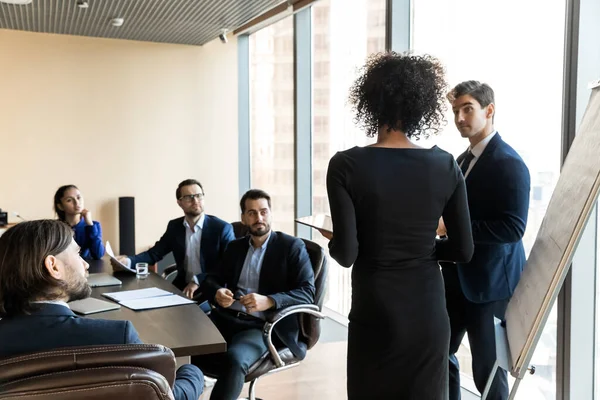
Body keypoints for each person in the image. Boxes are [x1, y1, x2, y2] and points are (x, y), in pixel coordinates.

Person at [322, 52, 474, 399]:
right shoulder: (445, 165)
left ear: (370, 102)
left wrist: (334, 238)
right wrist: (422, 248)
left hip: (375, 310)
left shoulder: (346, 166)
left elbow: (347, 254)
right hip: (427, 313)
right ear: (421, 106)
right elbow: (464, 250)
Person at [0, 220, 205, 400]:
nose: (85, 264)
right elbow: (163, 395)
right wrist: (192, 373)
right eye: (78, 254)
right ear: (53, 267)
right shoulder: (117, 337)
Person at [440, 81, 530, 400]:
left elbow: (512, 228)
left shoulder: (509, 164)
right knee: (439, 354)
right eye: (455, 111)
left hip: (489, 285)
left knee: (488, 373)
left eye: (467, 109)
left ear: (488, 110)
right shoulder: (461, 160)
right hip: (456, 278)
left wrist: (453, 227)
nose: (460, 117)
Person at [193, 189, 315, 400]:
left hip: (262, 326)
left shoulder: (292, 247)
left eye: (263, 212)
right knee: (184, 348)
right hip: (225, 318)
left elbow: (307, 293)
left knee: (235, 359)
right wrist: (217, 292)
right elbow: (210, 279)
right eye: (252, 213)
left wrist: (269, 301)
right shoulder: (235, 247)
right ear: (243, 218)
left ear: (271, 214)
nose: (259, 218)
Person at [112, 179, 235, 299]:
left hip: (213, 290)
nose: (195, 200)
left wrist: (197, 281)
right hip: (182, 287)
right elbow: (154, 253)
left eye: (199, 195)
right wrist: (127, 261)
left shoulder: (221, 228)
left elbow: (228, 266)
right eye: (189, 197)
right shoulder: (175, 227)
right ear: (179, 202)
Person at [54, 184, 105, 260]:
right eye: (69, 200)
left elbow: (98, 254)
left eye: (78, 197)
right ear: (60, 206)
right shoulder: (55, 227)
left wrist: (89, 224)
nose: (77, 202)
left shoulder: (94, 225)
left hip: (89, 269)